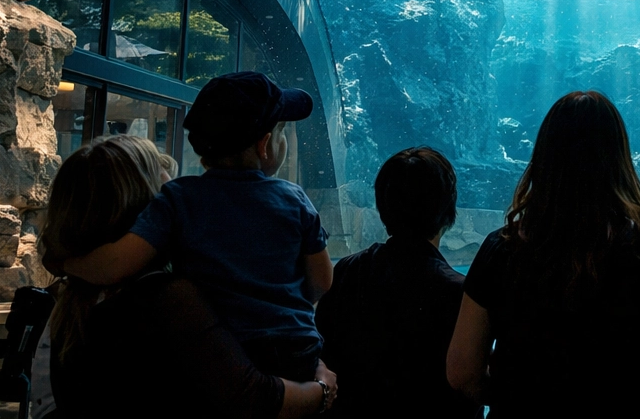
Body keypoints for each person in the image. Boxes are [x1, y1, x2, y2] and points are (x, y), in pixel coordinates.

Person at [59, 71, 335, 387]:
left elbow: (114, 266)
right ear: (265, 145)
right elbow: (323, 281)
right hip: (296, 350)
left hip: (217, 352)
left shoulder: (179, 198)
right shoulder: (296, 199)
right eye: (282, 133)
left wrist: (66, 262)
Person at [446, 90, 640, 418]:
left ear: (543, 158)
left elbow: (461, 370)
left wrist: (514, 398)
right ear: (618, 159)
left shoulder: (500, 250)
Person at [41, 134, 336, 419]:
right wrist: (322, 388)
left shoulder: (69, 297)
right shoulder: (168, 298)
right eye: (164, 185)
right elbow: (252, 396)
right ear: (147, 209)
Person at [316, 147, 479, 418]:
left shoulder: (347, 272)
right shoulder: (457, 294)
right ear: (448, 210)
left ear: (382, 206)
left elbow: (324, 353)